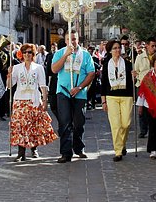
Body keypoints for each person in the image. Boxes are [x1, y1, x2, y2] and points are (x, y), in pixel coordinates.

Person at [8, 43, 57, 161]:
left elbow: (43, 86)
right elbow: (9, 86)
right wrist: (9, 74)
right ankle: (21, 152)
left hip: (33, 99)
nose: (27, 55)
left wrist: (45, 101)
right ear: (21, 54)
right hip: (20, 99)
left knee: (33, 125)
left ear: (33, 54)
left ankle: (34, 148)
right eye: (24, 52)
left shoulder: (39, 67)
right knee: (20, 126)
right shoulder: (17, 68)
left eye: (29, 52)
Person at [51, 31, 95, 163]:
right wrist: (65, 55)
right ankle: (66, 152)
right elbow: (54, 69)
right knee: (64, 122)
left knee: (79, 122)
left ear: (78, 40)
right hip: (63, 92)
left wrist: (80, 87)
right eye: (69, 39)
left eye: (74, 39)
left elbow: (91, 73)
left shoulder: (85, 55)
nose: (72, 42)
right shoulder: (59, 53)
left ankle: (78, 147)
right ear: (65, 41)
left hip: (79, 93)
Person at [101, 40, 134, 161]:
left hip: (126, 96)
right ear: (110, 50)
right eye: (115, 48)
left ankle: (122, 143)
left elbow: (133, 82)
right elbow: (104, 83)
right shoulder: (106, 64)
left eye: (119, 48)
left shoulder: (127, 63)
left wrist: (133, 76)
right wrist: (103, 101)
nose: (117, 50)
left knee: (126, 124)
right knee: (116, 125)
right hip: (111, 97)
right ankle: (118, 151)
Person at [134, 38, 156, 138]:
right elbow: (135, 71)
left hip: (154, 86)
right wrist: (140, 78)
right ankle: (143, 129)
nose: (154, 48)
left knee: (153, 107)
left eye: (155, 46)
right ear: (147, 46)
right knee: (141, 109)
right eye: (152, 46)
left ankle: (153, 127)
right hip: (142, 86)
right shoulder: (140, 57)